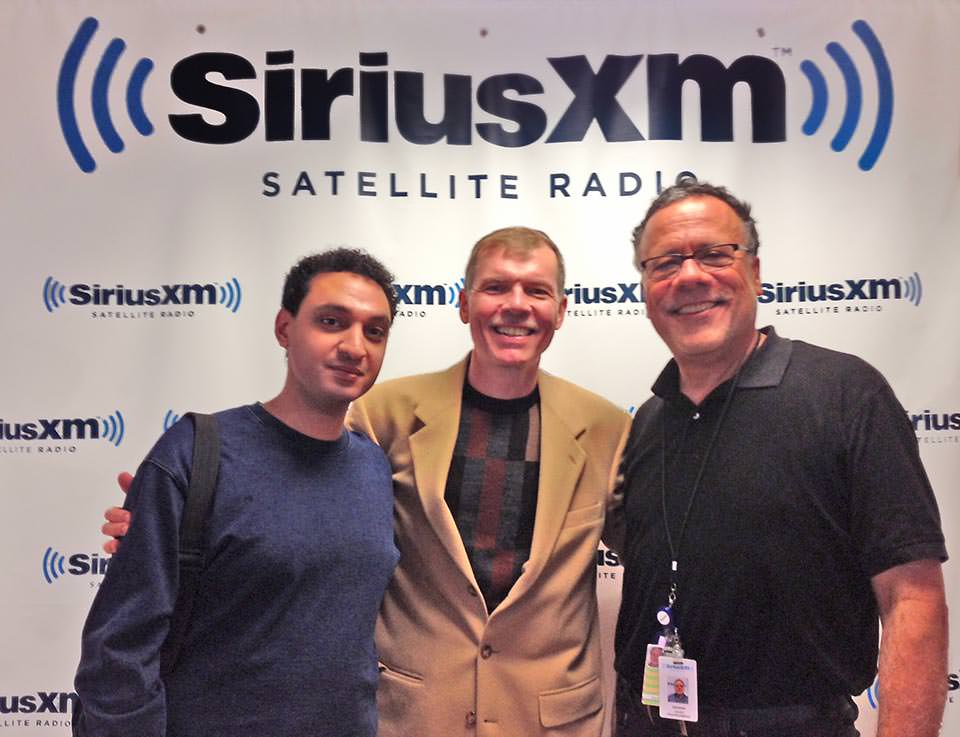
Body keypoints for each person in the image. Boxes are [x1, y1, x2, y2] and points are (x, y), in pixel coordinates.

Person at [102, 227, 632, 737]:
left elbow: (656, 544)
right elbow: (290, 485)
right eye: (495, 287)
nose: (515, 304)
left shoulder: (609, 428)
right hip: (409, 715)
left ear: (561, 310)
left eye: (536, 290)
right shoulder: (382, 414)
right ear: (465, 304)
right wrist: (160, 525)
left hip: (551, 719)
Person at [613, 180, 948, 737]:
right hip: (650, 722)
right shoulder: (647, 423)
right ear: (647, 289)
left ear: (756, 271)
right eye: (665, 263)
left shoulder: (845, 394)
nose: (690, 276)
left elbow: (911, 596)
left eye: (715, 254)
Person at [75, 249, 400, 737]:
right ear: (284, 329)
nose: (355, 346)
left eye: (374, 331)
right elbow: (119, 649)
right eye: (332, 322)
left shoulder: (375, 468)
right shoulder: (197, 451)